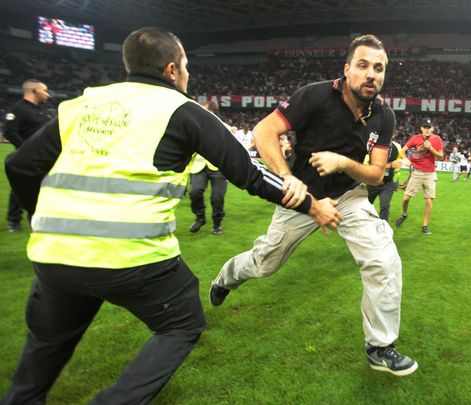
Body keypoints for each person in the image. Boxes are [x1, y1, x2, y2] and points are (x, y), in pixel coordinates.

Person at [1, 27, 339, 405]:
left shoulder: (81, 105)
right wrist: (311, 204)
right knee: (182, 323)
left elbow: (20, 166)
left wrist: (40, 218)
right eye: (187, 67)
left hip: (56, 254)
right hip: (132, 256)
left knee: (47, 343)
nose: (188, 76)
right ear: (172, 70)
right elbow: (247, 172)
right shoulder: (183, 110)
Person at [209, 35, 418, 376]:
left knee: (383, 258)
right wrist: (287, 176)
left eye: (378, 69)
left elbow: (377, 175)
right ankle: (226, 278)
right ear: (347, 69)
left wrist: (343, 162)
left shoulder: (383, 115)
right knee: (264, 264)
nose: (371, 74)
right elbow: (264, 132)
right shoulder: (315, 95)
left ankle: (380, 346)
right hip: (300, 198)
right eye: (363, 65)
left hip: (349, 197)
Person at [3, 79, 52, 232]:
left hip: (44, 156)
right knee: (19, 189)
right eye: (44, 90)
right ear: (34, 91)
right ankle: (13, 221)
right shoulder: (19, 109)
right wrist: (25, 148)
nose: (47, 94)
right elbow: (9, 132)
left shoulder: (43, 110)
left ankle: (37, 218)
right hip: (26, 157)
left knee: (44, 189)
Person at [395, 117, 444, 235]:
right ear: (421, 128)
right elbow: (403, 150)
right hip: (416, 171)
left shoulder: (437, 139)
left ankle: (425, 225)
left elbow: (441, 156)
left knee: (429, 200)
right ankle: (404, 214)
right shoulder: (415, 138)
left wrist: (430, 148)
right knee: (406, 198)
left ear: (432, 128)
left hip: (430, 173)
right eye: (425, 127)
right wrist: (406, 159)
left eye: (429, 127)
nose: (427, 130)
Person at [188, 101, 229, 235]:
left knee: (217, 198)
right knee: (194, 192)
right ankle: (200, 217)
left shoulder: (224, 127)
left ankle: (217, 224)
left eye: (205, 110)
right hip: (198, 165)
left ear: (213, 112)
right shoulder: (194, 126)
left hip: (218, 167)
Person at [366, 138, 402, 221]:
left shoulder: (397, 147)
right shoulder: (373, 146)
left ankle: (383, 228)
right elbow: (369, 165)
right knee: (366, 205)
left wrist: (396, 181)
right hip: (373, 182)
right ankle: (364, 224)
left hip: (388, 183)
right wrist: (390, 165)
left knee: (385, 206)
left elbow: (397, 165)